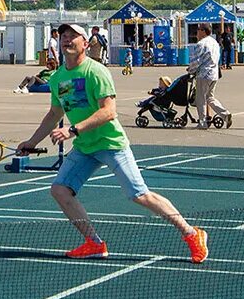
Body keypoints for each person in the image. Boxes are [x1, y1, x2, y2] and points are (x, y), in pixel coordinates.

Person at [18, 23, 208, 263]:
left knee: (139, 195)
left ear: (85, 44)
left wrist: (73, 129)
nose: (67, 40)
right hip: (85, 147)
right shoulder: (57, 78)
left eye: (73, 36)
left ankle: (192, 234)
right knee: (59, 190)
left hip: (110, 143)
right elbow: (54, 114)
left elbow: (109, 112)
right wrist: (31, 141)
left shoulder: (95, 72)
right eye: (64, 36)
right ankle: (94, 243)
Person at [188, 24, 232, 129]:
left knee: (201, 99)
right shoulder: (214, 42)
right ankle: (225, 114)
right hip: (214, 74)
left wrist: (190, 70)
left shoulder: (201, 44)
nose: (197, 32)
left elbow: (196, 61)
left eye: (198, 30)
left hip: (203, 74)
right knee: (210, 97)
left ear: (203, 31)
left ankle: (202, 123)